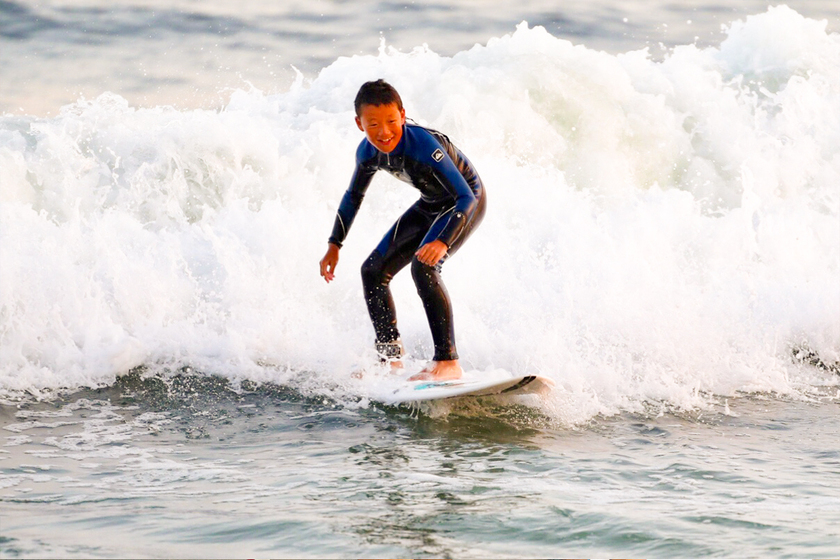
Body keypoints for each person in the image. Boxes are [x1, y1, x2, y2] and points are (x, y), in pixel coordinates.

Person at [319, 79, 486, 381]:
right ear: (359, 124)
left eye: (391, 122)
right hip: (431, 203)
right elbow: (353, 196)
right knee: (372, 270)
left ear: (403, 115)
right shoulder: (367, 154)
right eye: (373, 125)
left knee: (425, 267)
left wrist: (443, 243)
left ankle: (448, 363)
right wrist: (334, 244)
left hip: (466, 203)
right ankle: (390, 358)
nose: (384, 132)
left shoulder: (423, 145)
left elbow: (465, 195)